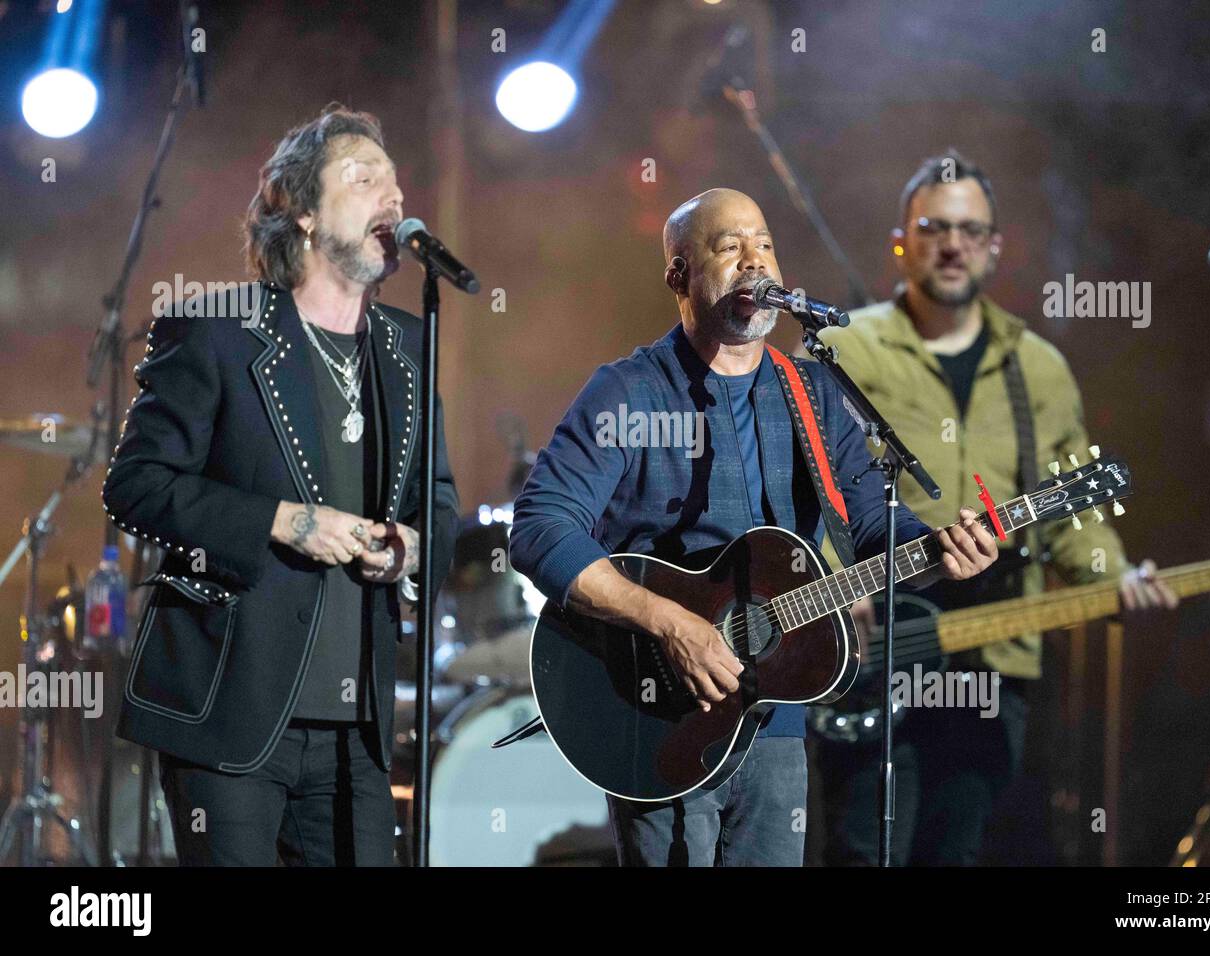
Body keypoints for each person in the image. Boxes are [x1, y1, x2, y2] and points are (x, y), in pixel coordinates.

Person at [510, 187, 998, 866]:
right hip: (655, 713)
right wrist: (671, 624)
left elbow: (869, 526)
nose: (754, 260)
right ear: (678, 274)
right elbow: (539, 528)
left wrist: (940, 551)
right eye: (728, 246)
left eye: (764, 243)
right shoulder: (629, 392)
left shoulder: (813, 391)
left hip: (777, 717)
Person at [102, 104, 459, 866]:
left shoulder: (407, 345)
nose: (391, 198)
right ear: (299, 211)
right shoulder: (217, 327)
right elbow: (135, 484)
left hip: (357, 721)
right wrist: (285, 522)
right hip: (231, 704)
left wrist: (409, 548)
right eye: (363, 179)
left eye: (395, 182)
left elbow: (439, 500)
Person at [815, 150, 1177, 866]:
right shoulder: (842, 348)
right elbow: (800, 485)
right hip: (866, 649)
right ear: (903, 238)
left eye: (971, 230)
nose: (953, 244)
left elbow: (1077, 510)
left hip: (992, 654)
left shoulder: (1037, 365)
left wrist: (1117, 575)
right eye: (934, 227)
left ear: (995, 247)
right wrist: (829, 582)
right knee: (864, 853)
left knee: (957, 852)